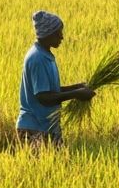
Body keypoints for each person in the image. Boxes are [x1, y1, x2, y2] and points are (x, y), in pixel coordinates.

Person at [16, 11, 95, 150]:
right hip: (35, 128)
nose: (62, 37)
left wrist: (77, 88)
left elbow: (51, 91)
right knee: (43, 170)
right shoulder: (37, 58)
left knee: (59, 167)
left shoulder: (45, 55)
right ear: (48, 34)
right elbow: (44, 97)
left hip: (48, 126)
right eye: (58, 33)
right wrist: (76, 94)